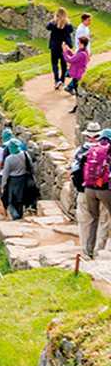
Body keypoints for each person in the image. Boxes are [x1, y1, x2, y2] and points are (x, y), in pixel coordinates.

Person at [78, 125, 111, 260]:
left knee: (93, 219)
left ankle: (88, 251)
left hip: (89, 189)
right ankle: (102, 249)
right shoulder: (108, 150)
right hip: (104, 189)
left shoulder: (91, 149)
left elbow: (78, 167)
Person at [1, 138, 34, 220]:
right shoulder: (25, 154)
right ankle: (20, 215)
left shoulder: (9, 159)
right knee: (20, 199)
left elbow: (5, 173)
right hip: (23, 179)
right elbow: (31, 166)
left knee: (11, 200)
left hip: (12, 180)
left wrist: (3, 185)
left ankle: (15, 216)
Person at [49, 9, 77, 87]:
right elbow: (71, 30)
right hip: (64, 46)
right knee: (63, 64)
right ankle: (62, 80)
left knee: (54, 64)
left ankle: (56, 80)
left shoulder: (53, 23)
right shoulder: (68, 24)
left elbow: (47, 27)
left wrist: (54, 20)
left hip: (55, 46)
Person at [67, 38, 93, 105]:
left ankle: (77, 105)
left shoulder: (82, 53)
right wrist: (68, 51)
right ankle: (76, 105)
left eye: (79, 43)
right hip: (77, 74)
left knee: (77, 91)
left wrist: (64, 52)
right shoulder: (82, 51)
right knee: (76, 91)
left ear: (82, 44)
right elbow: (74, 57)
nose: (78, 44)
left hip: (78, 74)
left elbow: (70, 60)